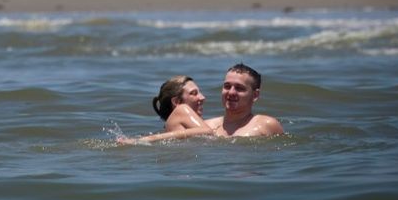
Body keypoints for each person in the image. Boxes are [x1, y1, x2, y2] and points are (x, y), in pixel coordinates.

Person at [120, 64, 283, 144]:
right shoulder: (207, 125)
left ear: (255, 95)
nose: (231, 92)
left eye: (239, 88)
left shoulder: (266, 124)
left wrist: (143, 140)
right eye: (227, 86)